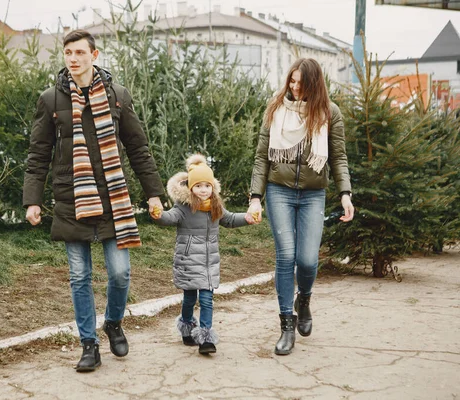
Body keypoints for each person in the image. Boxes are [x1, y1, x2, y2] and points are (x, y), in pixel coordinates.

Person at [23, 29, 164, 372]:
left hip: (114, 198)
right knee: (79, 276)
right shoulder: (51, 99)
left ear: (94, 55)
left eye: (79, 53)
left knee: (119, 273)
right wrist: (33, 200)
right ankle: (89, 344)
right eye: (68, 53)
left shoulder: (117, 95)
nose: (73, 59)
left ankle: (113, 322)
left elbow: (138, 147)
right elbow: (38, 153)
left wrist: (153, 193)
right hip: (72, 199)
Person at [247, 58, 354, 356]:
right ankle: (286, 326)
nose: (294, 87)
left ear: (314, 84)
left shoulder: (329, 113)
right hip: (278, 190)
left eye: (301, 83)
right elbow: (261, 158)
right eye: (291, 81)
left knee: (307, 261)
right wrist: (255, 196)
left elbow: (338, 158)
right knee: (285, 256)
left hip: (312, 194)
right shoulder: (276, 107)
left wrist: (345, 193)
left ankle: (303, 299)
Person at [151, 154, 252, 355]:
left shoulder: (215, 205)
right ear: (190, 187)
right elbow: (169, 218)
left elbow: (230, 219)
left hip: (209, 262)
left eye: (207, 185)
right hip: (189, 260)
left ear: (212, 187)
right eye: (198, 186)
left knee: (206, 299)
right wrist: (158, 214)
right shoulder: (184, 207)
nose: (203, 189)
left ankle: (205, 337)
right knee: (189, 299)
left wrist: (247, 218)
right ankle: (187, 326)